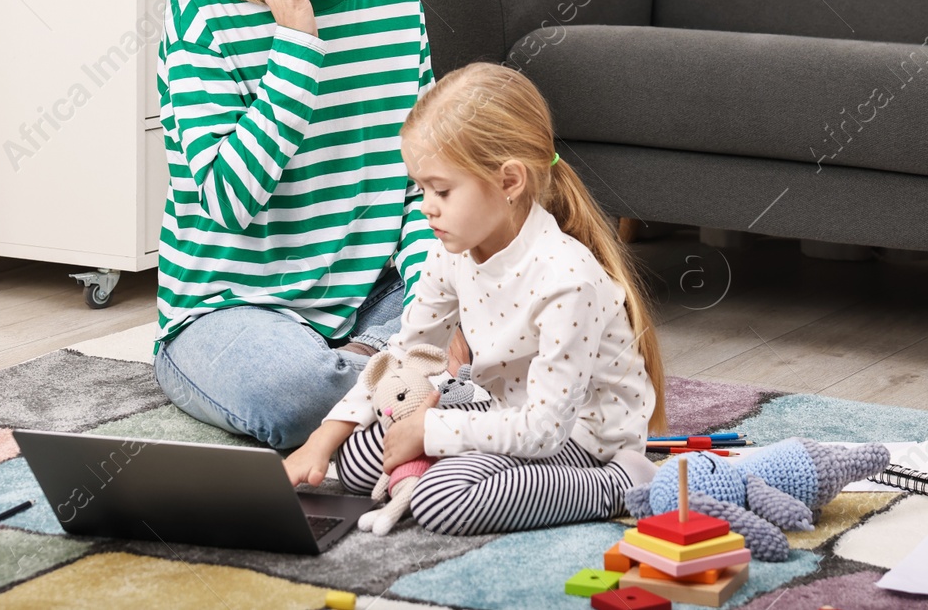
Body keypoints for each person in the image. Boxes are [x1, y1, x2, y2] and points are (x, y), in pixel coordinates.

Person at [151, 0, 444, 450]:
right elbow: (228, 202)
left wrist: (430, 309)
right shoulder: (203, 10)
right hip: (229, 311)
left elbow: (419, 186)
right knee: (289, 394)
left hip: (370, 300)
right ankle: (411, 392)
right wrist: (296, 45)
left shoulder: (397, 2)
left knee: (512, 309)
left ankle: (387, 370)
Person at [284, 62, 667, 535]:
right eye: (421, 188)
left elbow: (545, 429)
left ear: (509, 182)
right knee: (358, 458)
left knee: (444, 502)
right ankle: (439, 468)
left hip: (579, 436)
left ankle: (622, 485)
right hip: (505, 412)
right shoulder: (454, 250)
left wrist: (431, 432)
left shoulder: (567, 280)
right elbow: (404, 356)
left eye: (441, 190)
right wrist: (323, 438)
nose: (425, 205)